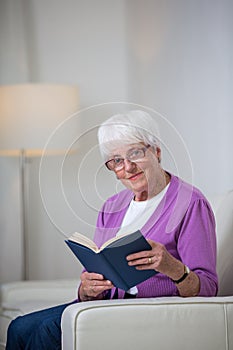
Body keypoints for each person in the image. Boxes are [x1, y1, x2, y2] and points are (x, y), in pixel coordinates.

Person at [6, 110, 218, 349]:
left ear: (156, 152)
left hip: (150, 311)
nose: (128, 167)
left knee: (46, 331)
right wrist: (87, 289)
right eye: (116, 160)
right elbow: (97, 273)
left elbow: (208, 289)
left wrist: (171, 266)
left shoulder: (190, 203)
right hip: (107, 306)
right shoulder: (112, 207)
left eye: (135, 153)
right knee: (19, 327)